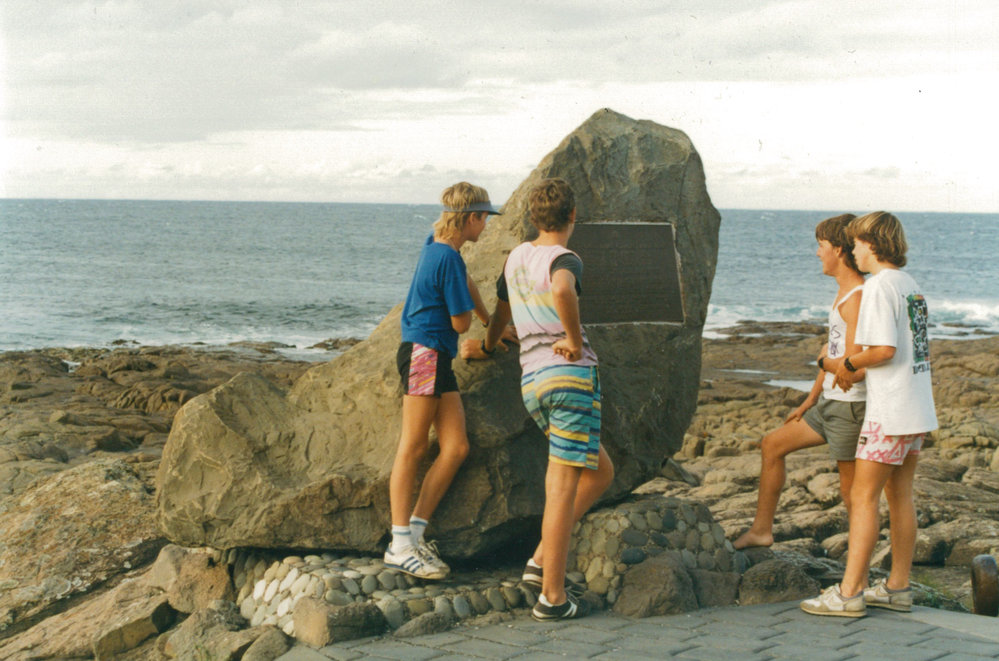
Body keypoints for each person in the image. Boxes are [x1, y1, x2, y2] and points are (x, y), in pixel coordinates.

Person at [463, 178, 614, 621]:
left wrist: (489, 347)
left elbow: (502, 311)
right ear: (572, 217)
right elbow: (564, 290)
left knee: (601, 471)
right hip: (569, 379)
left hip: (533, 382)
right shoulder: (564, 258)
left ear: (532, 218)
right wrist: (571, 337)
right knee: (562, 489)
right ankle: (552, 598)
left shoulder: (517, 259)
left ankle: (540, 558)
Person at [801, 211, 937, 617]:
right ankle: (897, 587)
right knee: (901, 498)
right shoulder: (911, 286)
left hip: (888, 412)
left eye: (857, 243)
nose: (854, 250)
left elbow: (883, 351)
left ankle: (848, 594)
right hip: (917, 410)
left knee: (862, 497)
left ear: (873, 243)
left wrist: (844, 365)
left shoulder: (879, 287)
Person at [384, 182, 497, 580]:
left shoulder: (438, 243)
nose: (486, 227)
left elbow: (465, 283)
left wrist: (491, 322)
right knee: (413, 447)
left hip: (436, 357)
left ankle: (414, 534)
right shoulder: (446, 257)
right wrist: (474, 326)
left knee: (456, 446)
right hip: (423, 355)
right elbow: (458, 322)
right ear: (471, 218)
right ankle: (398, 545)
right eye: (485, 219)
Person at [734, 214, 867, 550]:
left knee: (852, 494)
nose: (817, 253)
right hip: (828, 405)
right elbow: (831, 348)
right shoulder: (843, 293)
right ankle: (761, 531)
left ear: (837, 249)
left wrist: (824, 362)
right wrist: (809, 401)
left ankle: (858, 572)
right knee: (772, 444)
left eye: (820, 246)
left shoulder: (858, 298)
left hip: (850, 408)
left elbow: (850, 366)